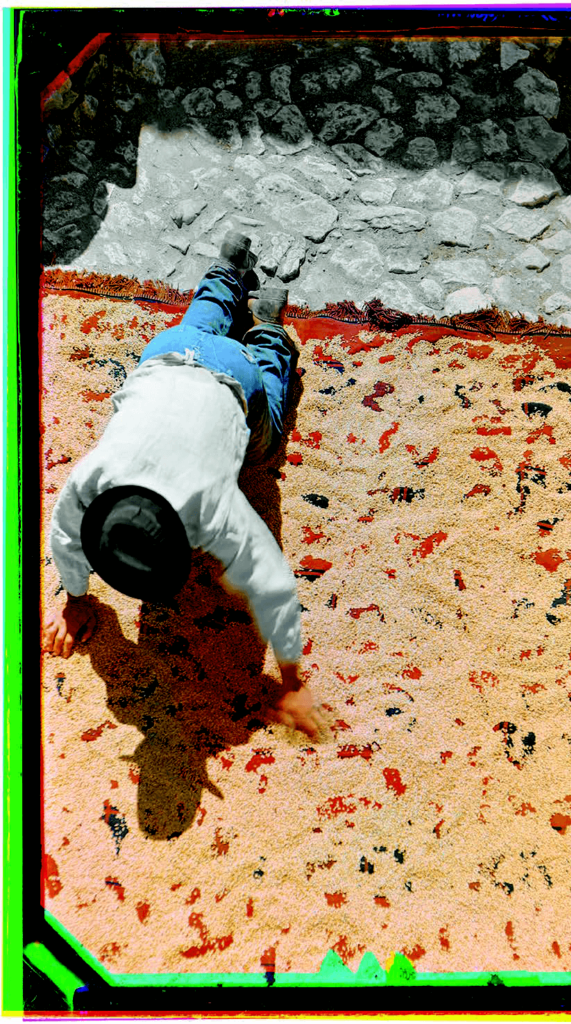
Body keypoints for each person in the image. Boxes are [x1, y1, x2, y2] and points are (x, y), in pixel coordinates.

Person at [42, 232, 321, 738]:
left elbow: (273, 584)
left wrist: (292, 680)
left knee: (267, 437)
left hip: (228, 376)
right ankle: (229, 271)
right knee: (201, 328)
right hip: (169, 354)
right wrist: (78, 600)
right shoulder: (92, 482)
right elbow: (63, 538)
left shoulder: (207, 504)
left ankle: (270, 331)